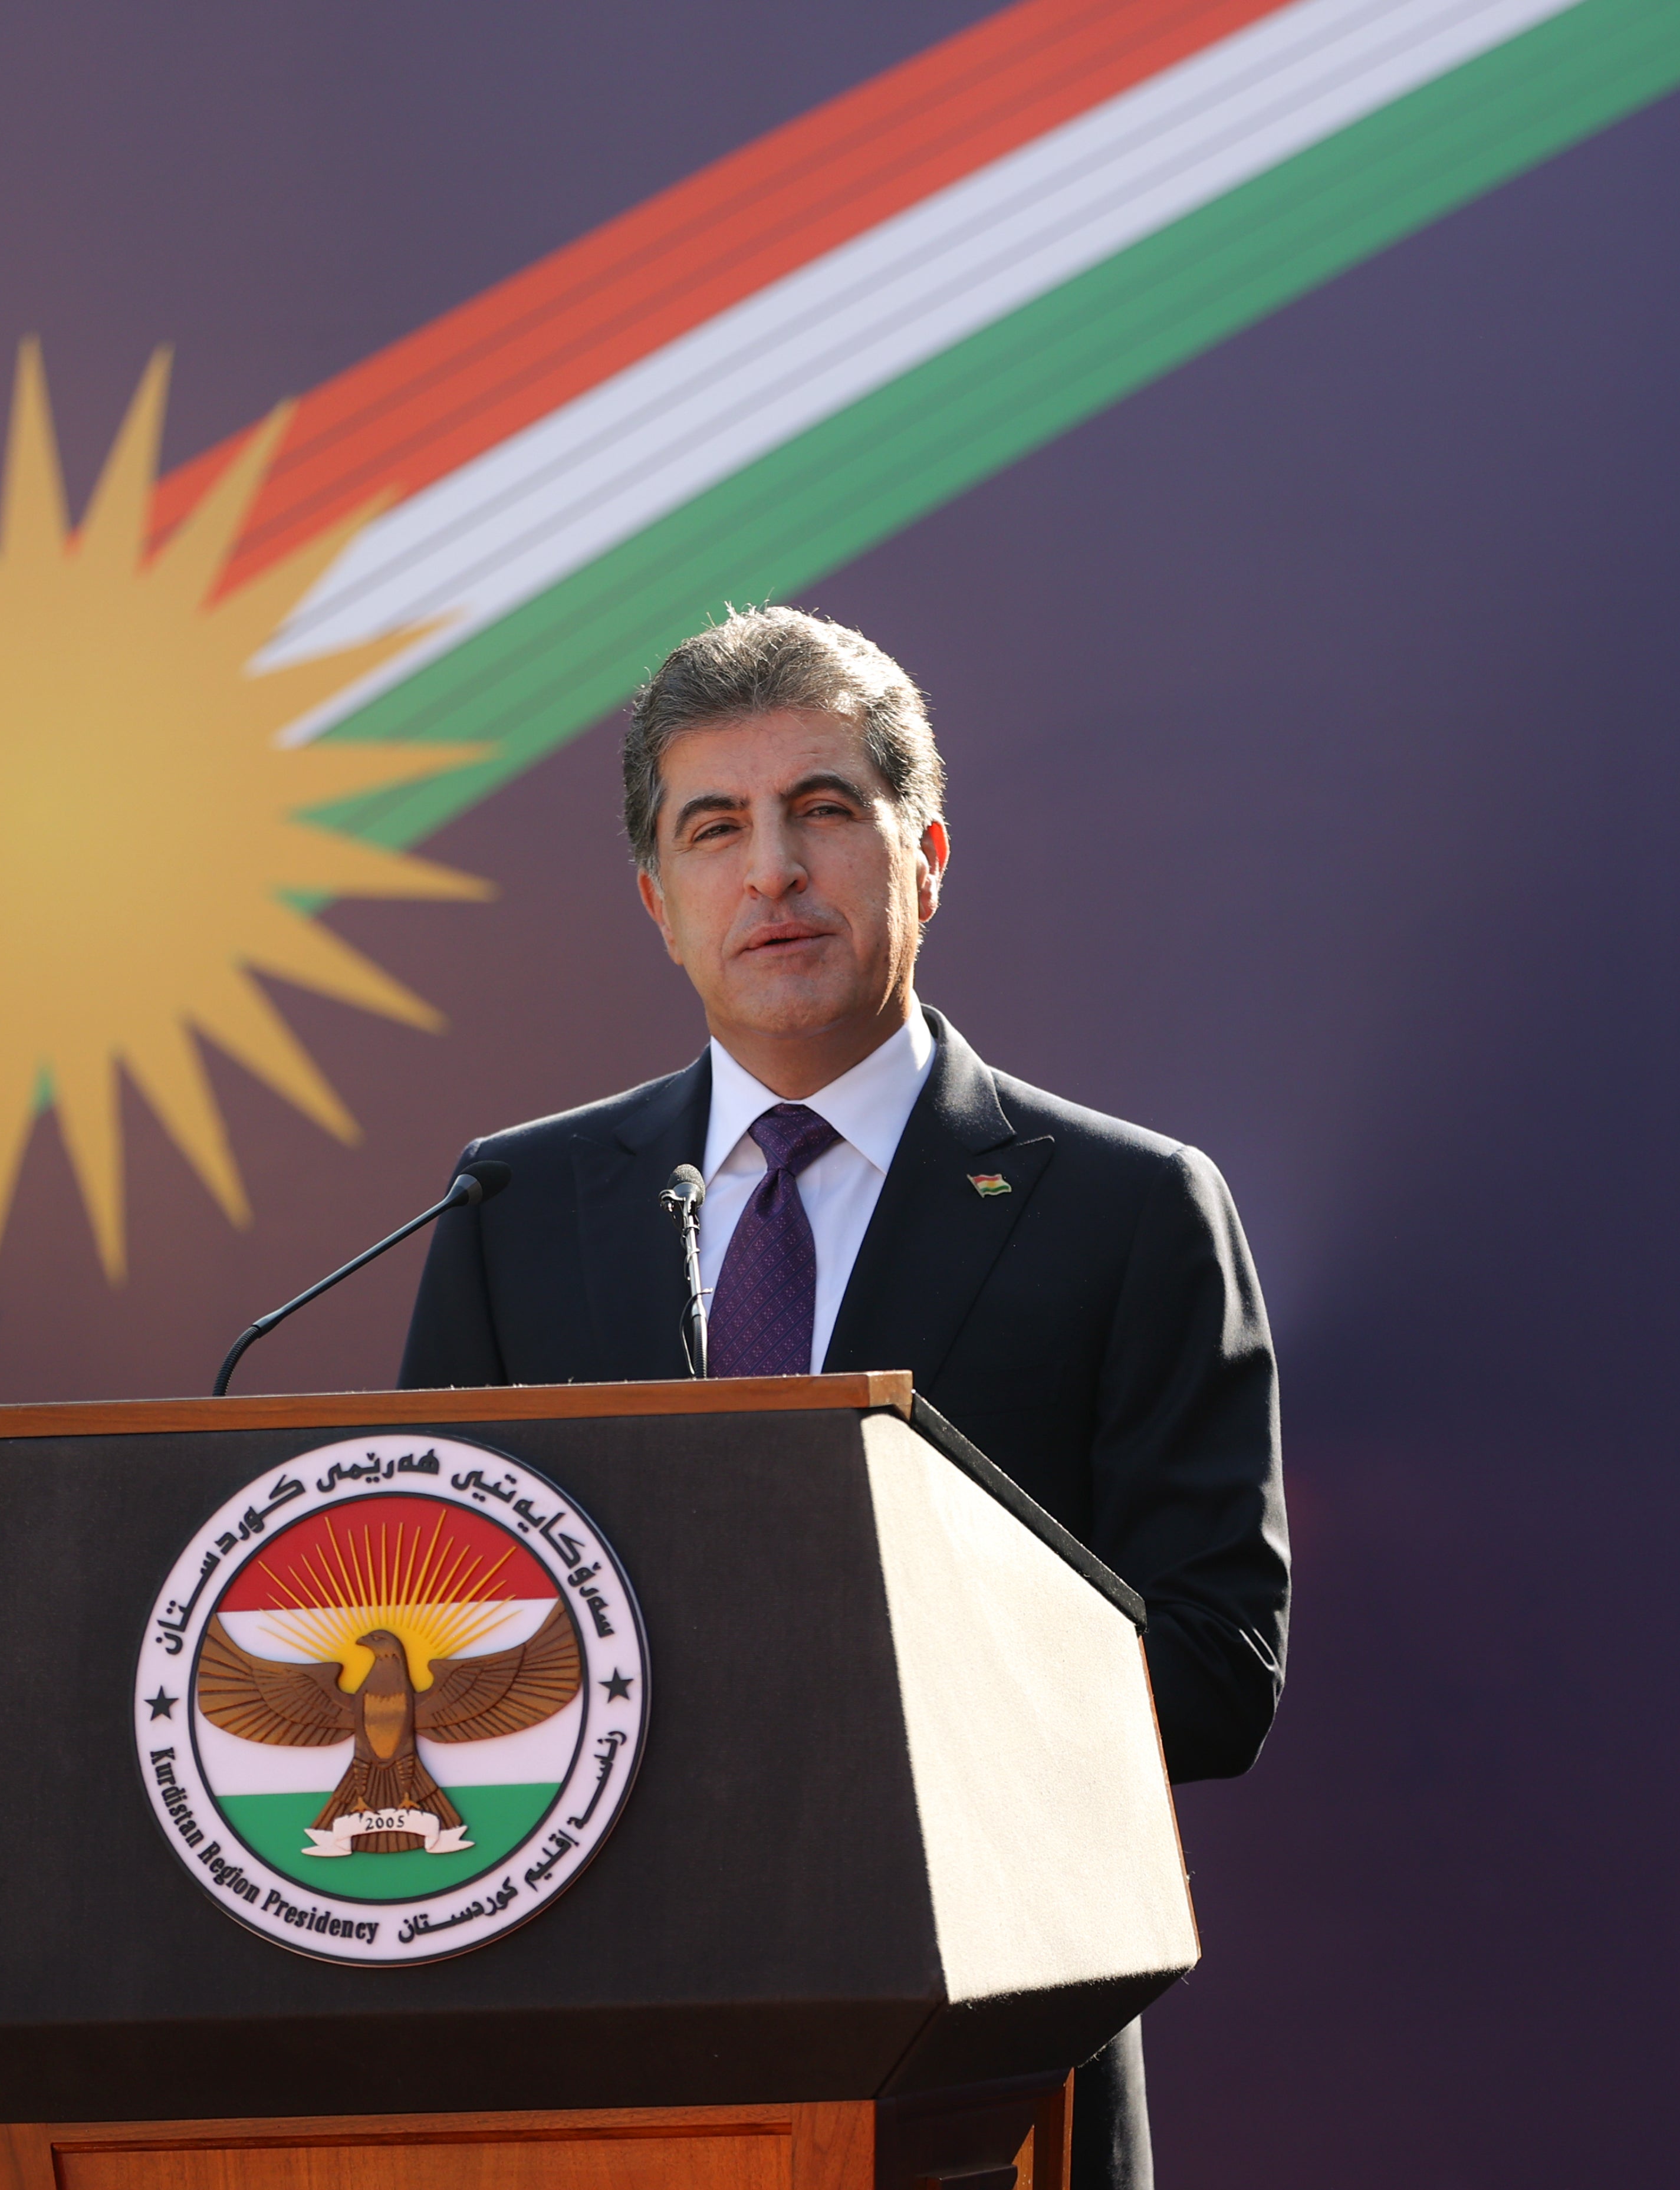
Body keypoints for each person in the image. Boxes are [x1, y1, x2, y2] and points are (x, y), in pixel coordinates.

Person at [400, 604, 1289, 2189]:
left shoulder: (1128, 1211)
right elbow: (435, 1606)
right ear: (659, 901)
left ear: (924, 857)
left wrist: (832, 1715)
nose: (773, 871)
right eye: (716, 828)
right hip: (602, 2074)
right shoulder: (518, 1210)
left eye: (823, 810)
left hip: (981, 2089)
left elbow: (1217, 1668)